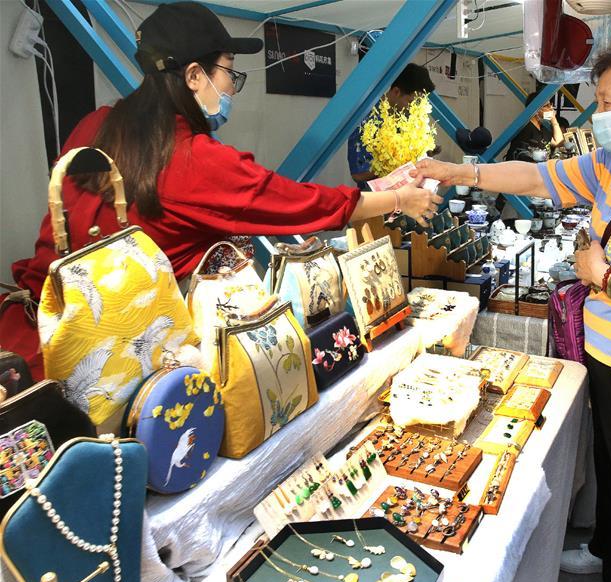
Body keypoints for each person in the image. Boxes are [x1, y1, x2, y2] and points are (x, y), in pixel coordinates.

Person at [414, 44, 611, 582]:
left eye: (607, 102)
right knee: (609, 458)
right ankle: (605, 548)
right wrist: (453, 170)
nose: (597, 114)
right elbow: (536, 180)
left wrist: (600, 275)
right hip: (610, 345)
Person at [0, 2, 441, 380]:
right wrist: (401, 198)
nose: (231, 86)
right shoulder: (192, 160)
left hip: (41, 334)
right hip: (117, 367)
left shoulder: (94, 125)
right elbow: (300, 203)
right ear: (194, 76)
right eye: (229, 72)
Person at [347, 63, 435, 188]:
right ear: (396, 91)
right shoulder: (367, 120)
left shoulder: (408, 118)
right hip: (375, 200)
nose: (412, 109)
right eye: (410, 102)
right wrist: (397, 165)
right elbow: (357, 174)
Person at [503, 91, 567, 162]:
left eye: (551, 105)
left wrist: (554, 120)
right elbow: (521, 156)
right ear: (536, 110)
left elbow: (559, 142)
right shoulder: (525, 129)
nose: (551, 108)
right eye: (547, 106)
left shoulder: (543, 128)